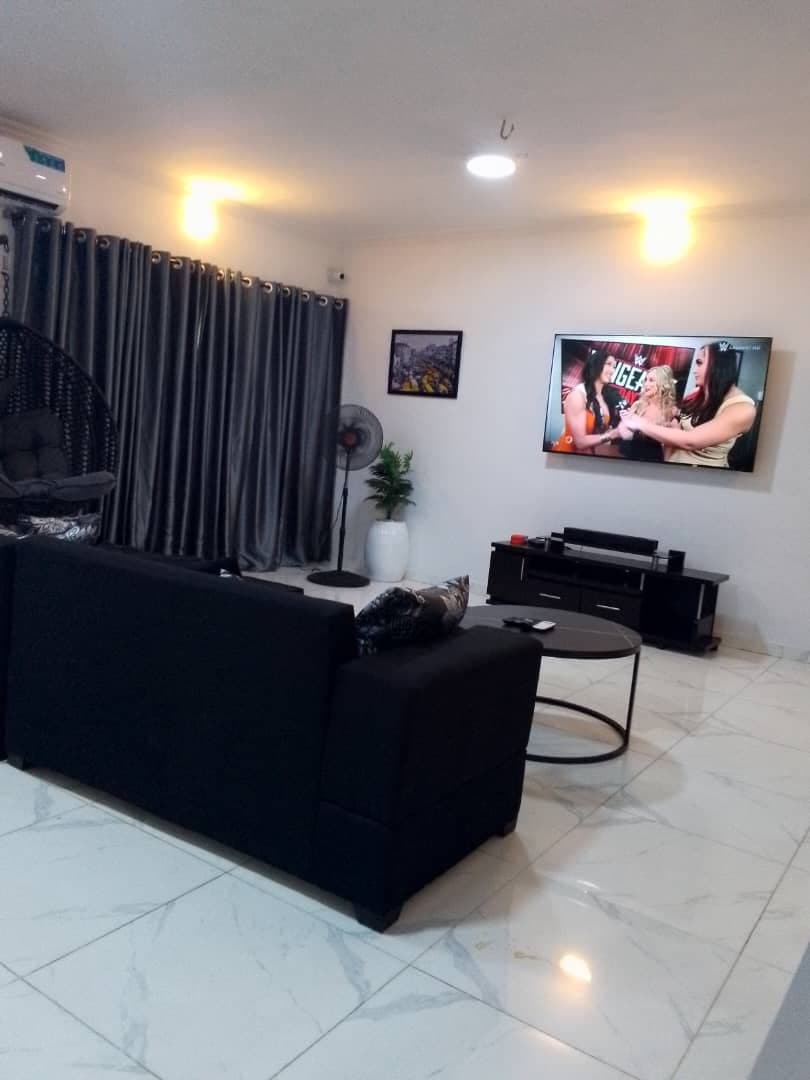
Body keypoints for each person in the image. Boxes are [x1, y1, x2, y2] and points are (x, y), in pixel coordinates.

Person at [619, 342, 756, 467]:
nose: (694, 370)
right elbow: (678, 430)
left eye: (699, 362)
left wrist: (639, 422)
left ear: (717, 365)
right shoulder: (696, 393)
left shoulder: (743, 408)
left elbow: (690, 441)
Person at [551, 350, 623, 455]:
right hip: (566, 457)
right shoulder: (578, 395)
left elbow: (599, 434)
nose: (612, 371)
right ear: (595, 365)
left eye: (614, 367)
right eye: (608, 364)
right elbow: (580, 442)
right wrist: (613, 434)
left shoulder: (604, 398)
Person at [617, 365, 678, 462]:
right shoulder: (638, 405)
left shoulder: (671, 412)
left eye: (651, 380)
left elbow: (669, 446)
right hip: (626, 456)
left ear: (662, 384)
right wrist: (625, 424)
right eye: (645, 380)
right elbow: (624, 436)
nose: (646, 384)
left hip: (652, 461)